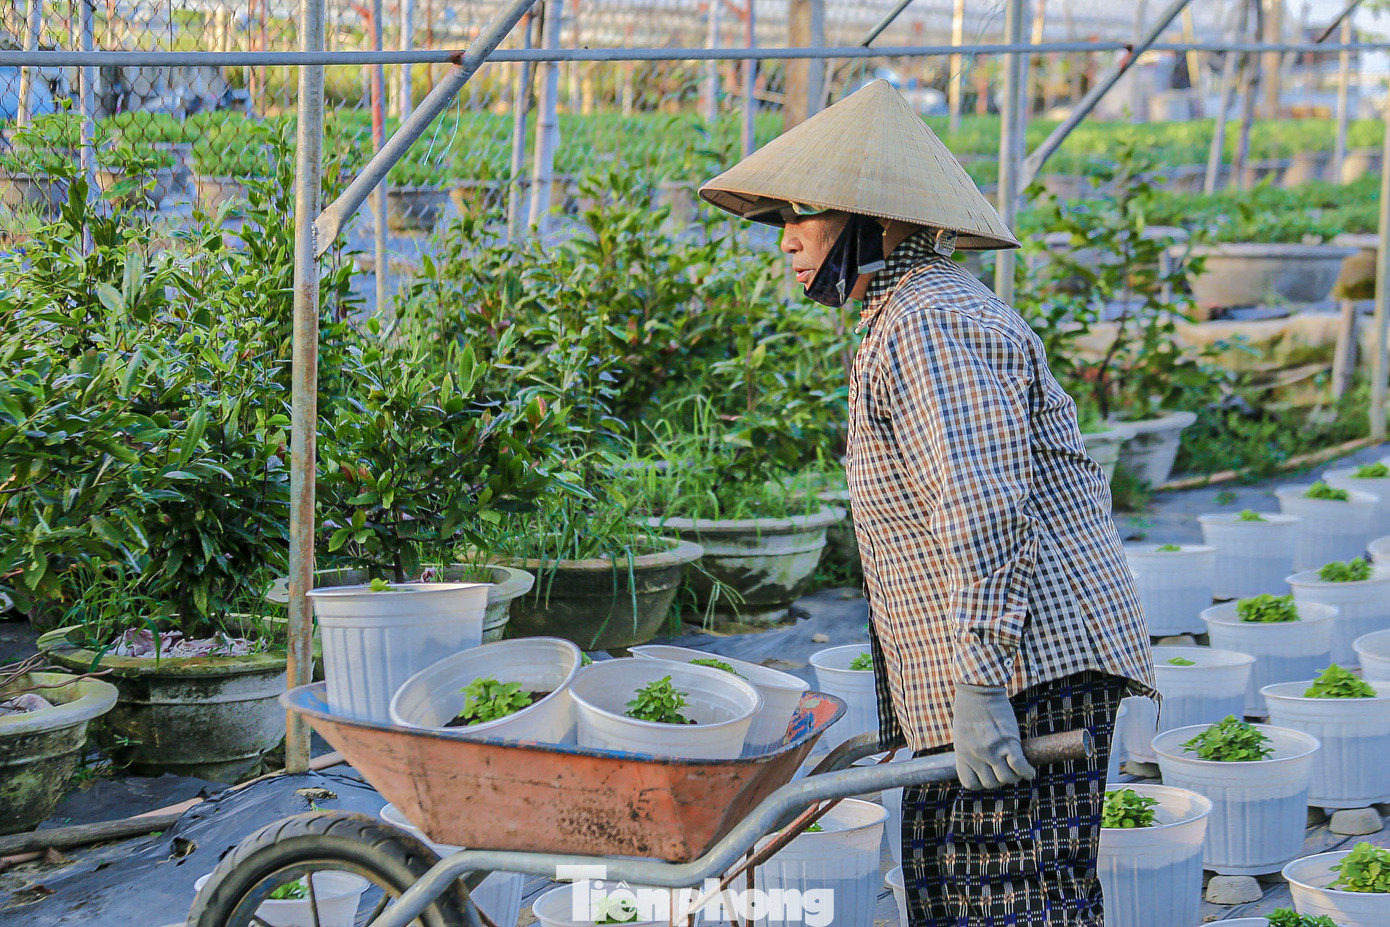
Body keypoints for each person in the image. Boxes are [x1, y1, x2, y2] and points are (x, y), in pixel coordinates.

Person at [699, 80, 1156, 925]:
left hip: (1026, 672)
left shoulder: (929, 321)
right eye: (780, 220)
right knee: (956, 893)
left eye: (803, 211)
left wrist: (980, 683)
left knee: (1016, 902)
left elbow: (983, 510)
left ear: (879, 217)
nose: (788, 238)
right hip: (1004, 667)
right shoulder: (902, 314)